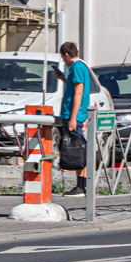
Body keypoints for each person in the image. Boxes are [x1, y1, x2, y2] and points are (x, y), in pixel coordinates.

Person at [54, 41, 91, 196]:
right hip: (74, 113)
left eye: (63, 58)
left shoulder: (77, 68)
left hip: (74, 113)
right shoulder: (78, 68)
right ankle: (82, 186)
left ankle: (81, 186)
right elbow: (74, 88)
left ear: (67, 55)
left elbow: (78, 93)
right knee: (79, 146)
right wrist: (63, 78)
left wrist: (73, 117)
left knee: (77, 148)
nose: (63, 61)